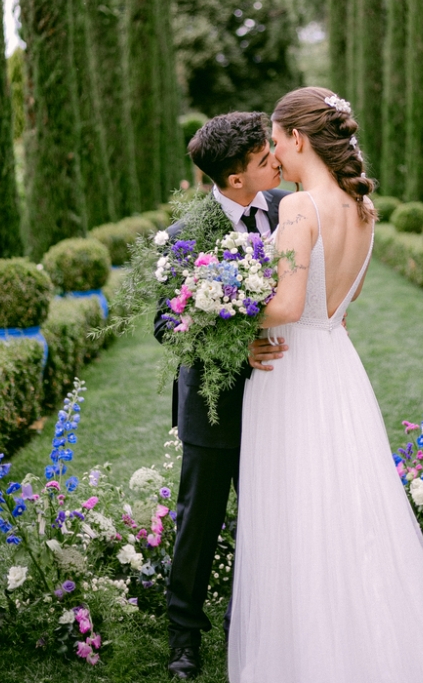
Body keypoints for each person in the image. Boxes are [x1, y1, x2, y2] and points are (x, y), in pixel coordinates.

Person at [229, 86, 423, 683]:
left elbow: (289, 304)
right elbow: (339, 308)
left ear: (298, 139)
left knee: (297, 510)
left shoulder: (299, 209)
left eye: (275, 143)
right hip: (339, 367)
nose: (275, 156)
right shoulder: (361, 209)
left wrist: (219, 312)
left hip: (292, 370)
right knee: (347, 508)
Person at [154, 111, 287, 681]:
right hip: (214, 407)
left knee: (270, 517)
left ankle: (257, 621)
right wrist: (236, 351)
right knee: (198, 522)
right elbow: (165, 325)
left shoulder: (286, 209)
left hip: (282, 399)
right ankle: (184, 634)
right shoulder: (189, 231)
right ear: (236, 179)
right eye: (263, 157)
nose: (275, 160)